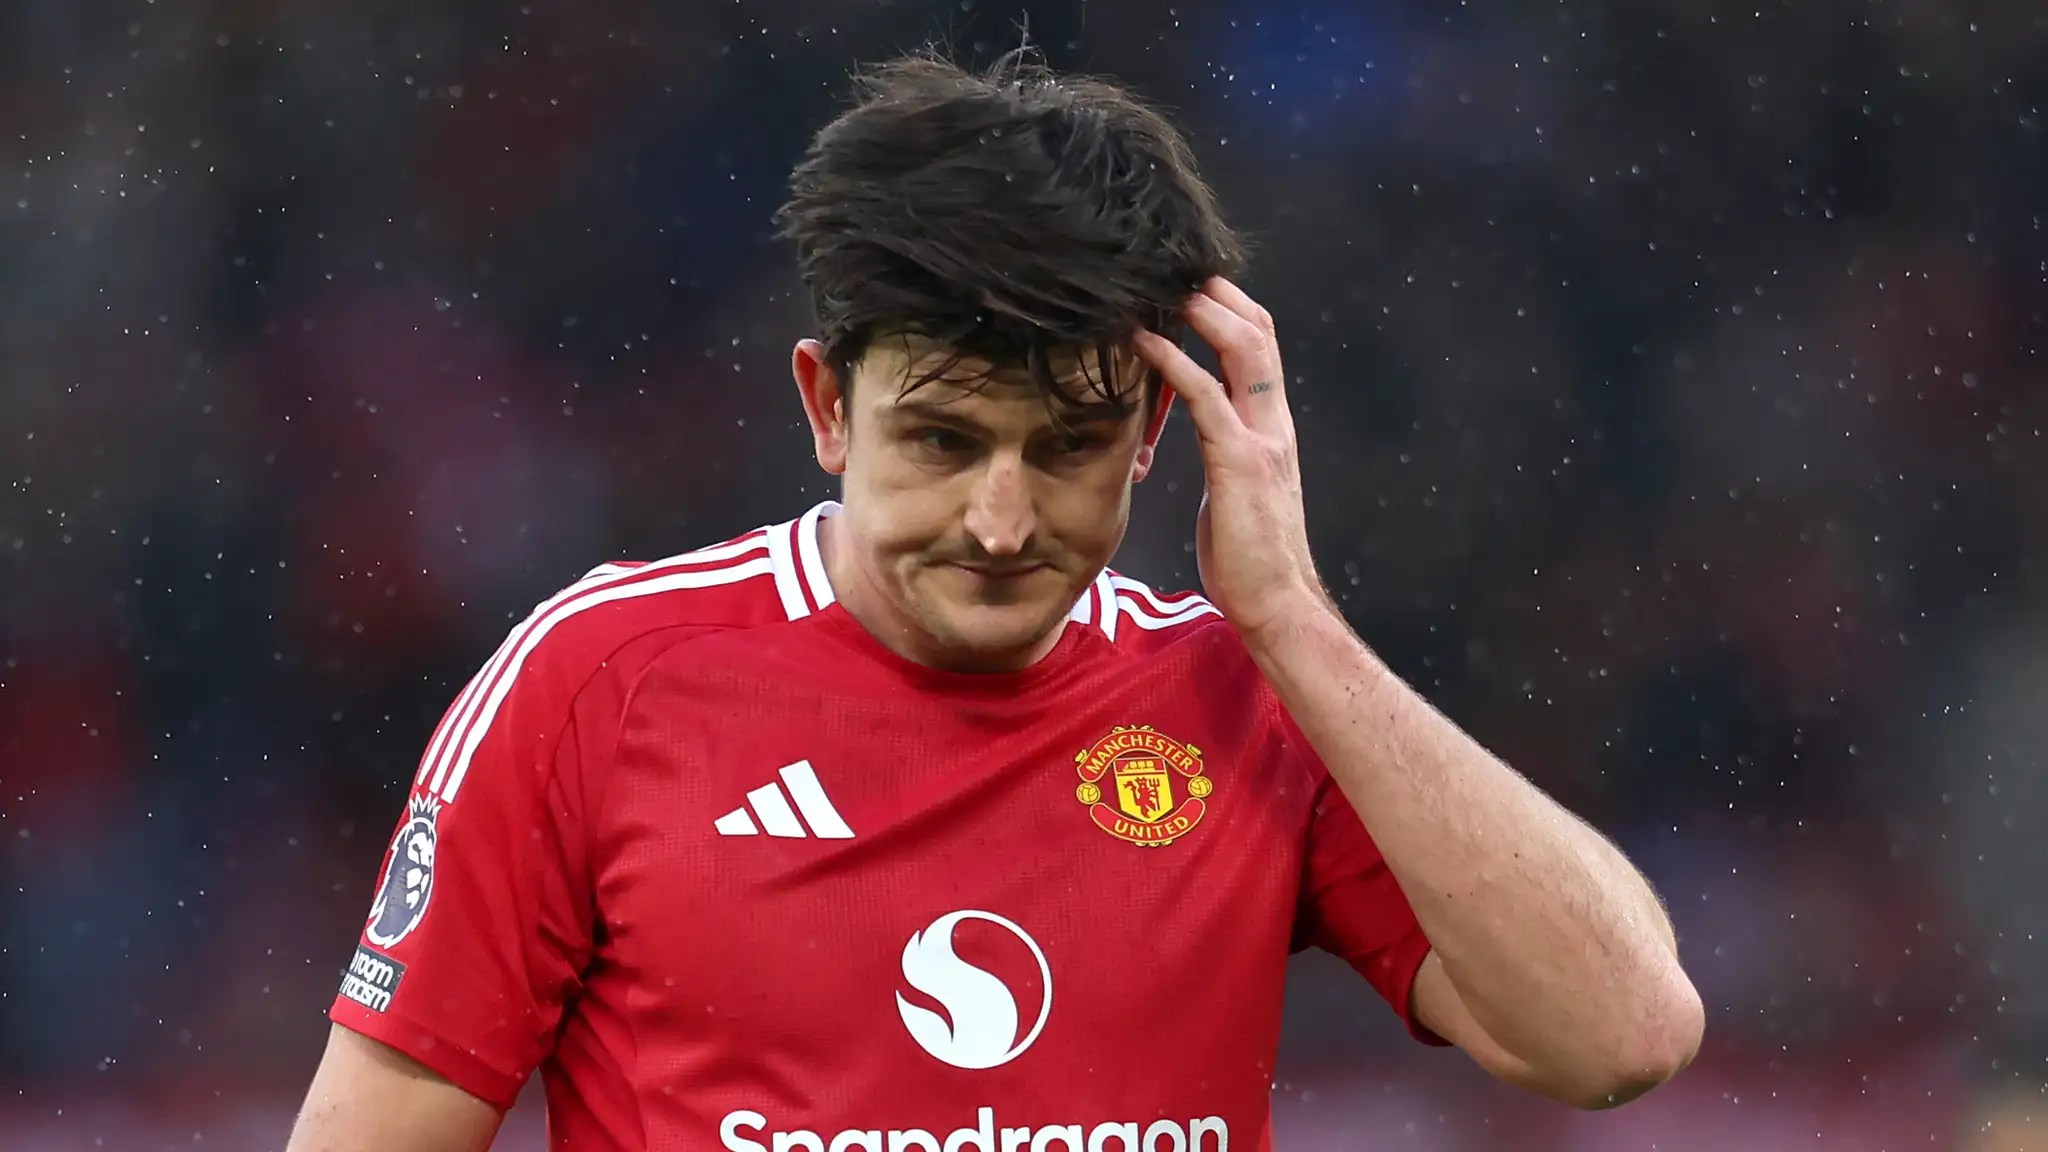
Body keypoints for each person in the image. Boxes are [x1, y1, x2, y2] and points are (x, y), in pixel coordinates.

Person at [285, 48, 1702, 1152]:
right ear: (827, 407)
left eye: (1071, 446)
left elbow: (1619, 1038)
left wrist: (1293, 621)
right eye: (944, 441)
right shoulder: (599, 683)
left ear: (1155, 431)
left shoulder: (1249, 694)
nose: (1003, 521)